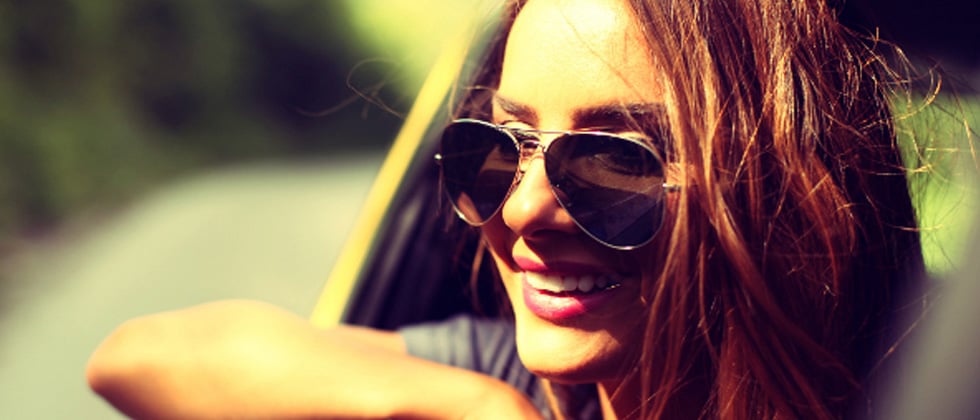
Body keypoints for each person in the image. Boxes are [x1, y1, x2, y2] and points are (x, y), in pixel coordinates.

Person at [86, 0, 931, 418]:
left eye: (613, 161)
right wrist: (468, 407)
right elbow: (133, 357)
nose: (524, 208)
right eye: (501, 146)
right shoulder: (504, 378)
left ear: (776, 193)